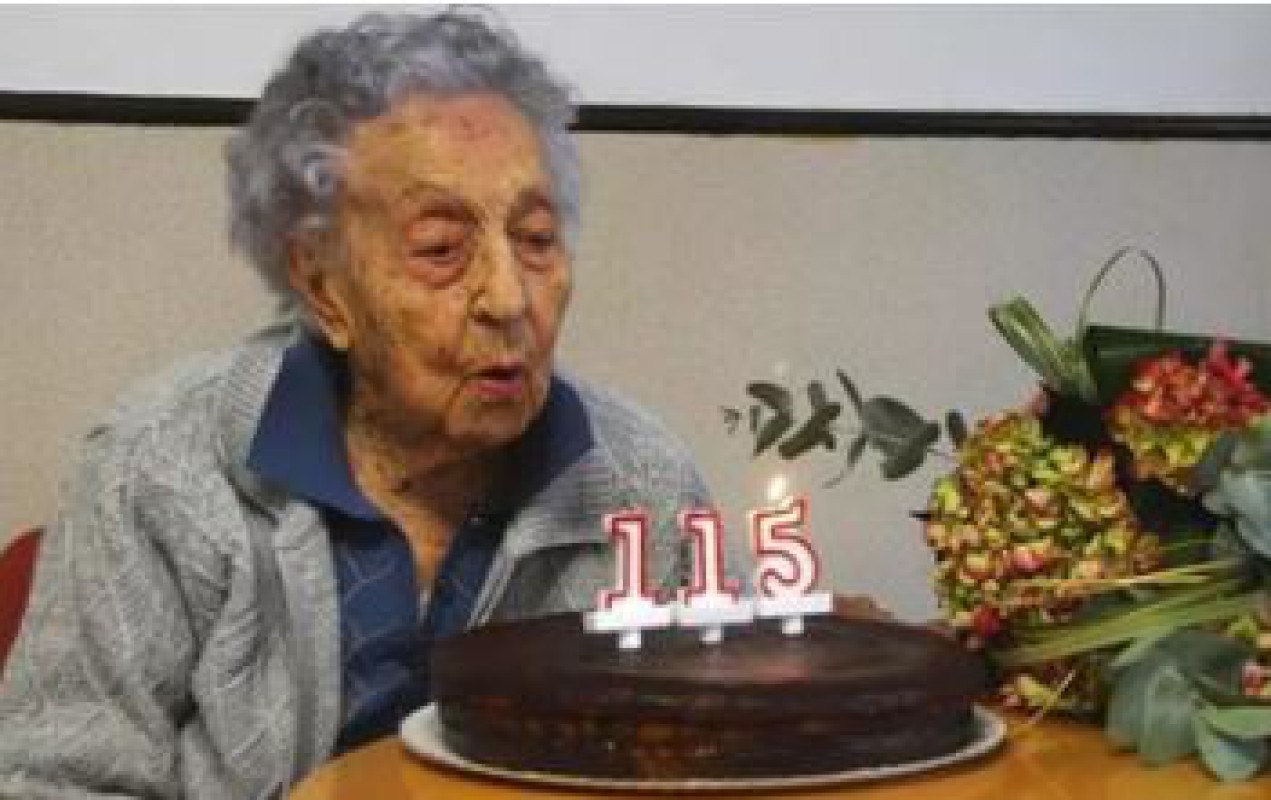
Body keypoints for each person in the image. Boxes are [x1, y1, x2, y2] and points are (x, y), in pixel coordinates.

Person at [0, 10, 709, 798]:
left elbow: (738, 750)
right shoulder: (159, 469)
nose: (510, 299)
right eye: (441, 249)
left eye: (536, 238)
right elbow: (52, 782)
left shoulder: (643, 486)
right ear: (321, 285)